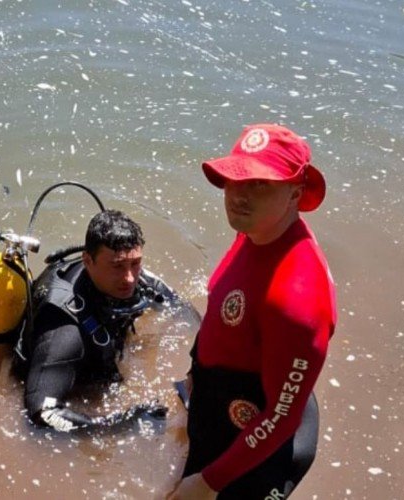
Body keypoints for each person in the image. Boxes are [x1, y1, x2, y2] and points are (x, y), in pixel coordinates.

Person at [170, 124, 337, 499]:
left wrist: (208, 483)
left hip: (258, 444)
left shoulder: (297, 298)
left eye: (260, 184)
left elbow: (281, 417)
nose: (239, 195)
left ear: (296, 193)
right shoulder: (256, 231)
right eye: (234, 179)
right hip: (219, 405)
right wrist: (195, 374)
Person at [17, 209, 201, 432]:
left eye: (135, 264)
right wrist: (124, 422)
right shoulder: (65, 332)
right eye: (117, 266)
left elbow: (183, 310)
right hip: (69, 373)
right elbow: (41, 414)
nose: (130, 278)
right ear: (87, 260)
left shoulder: (133, 276)